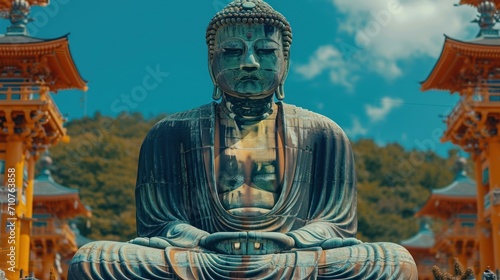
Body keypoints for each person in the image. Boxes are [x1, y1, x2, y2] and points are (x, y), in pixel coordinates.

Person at [69, 0, 417, 279]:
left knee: (393, 261)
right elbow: (160, 223)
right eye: (233, 52)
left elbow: (336, 224)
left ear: (286, 61)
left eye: (265, 51)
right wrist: (205, 240)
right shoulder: (171, 132)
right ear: (211, 61)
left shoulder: (324, 133)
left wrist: (290, 241)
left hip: (293, 258)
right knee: (92, 260)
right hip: (202, 259)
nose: (249, 63)